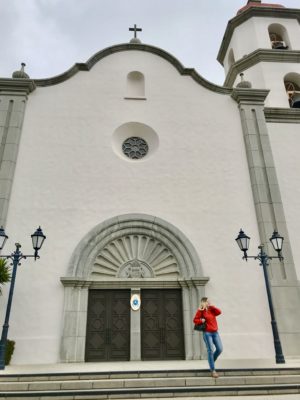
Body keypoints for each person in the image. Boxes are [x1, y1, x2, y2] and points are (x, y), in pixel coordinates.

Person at [193, 297, 223, 378]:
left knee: (220, 349)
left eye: (208, 301)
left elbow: (219, 312)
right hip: (207, 333)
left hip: (215, 332)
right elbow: (195, 320)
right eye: (206, 301)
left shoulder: (212, 310)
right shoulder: (201, 311)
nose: (208, 302)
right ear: (203, 302)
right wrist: (201, 320)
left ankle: (211, 361)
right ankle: (213, 370)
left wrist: (212, 306)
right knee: (210, 350)